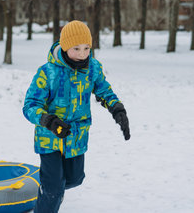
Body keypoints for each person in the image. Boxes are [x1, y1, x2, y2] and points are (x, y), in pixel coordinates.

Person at [23, 20, 130, 213]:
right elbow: (30, 106)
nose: (82, 54)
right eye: (76, 48)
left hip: (77, 137)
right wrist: (49, 121)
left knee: (74, 179)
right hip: (50, 138)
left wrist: (118, 109)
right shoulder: (48, 73)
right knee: (53, 188)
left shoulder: (92, 69)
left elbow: (104, 91)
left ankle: (49, 188)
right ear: (64, 47)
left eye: (87, 48)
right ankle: (48, 193)